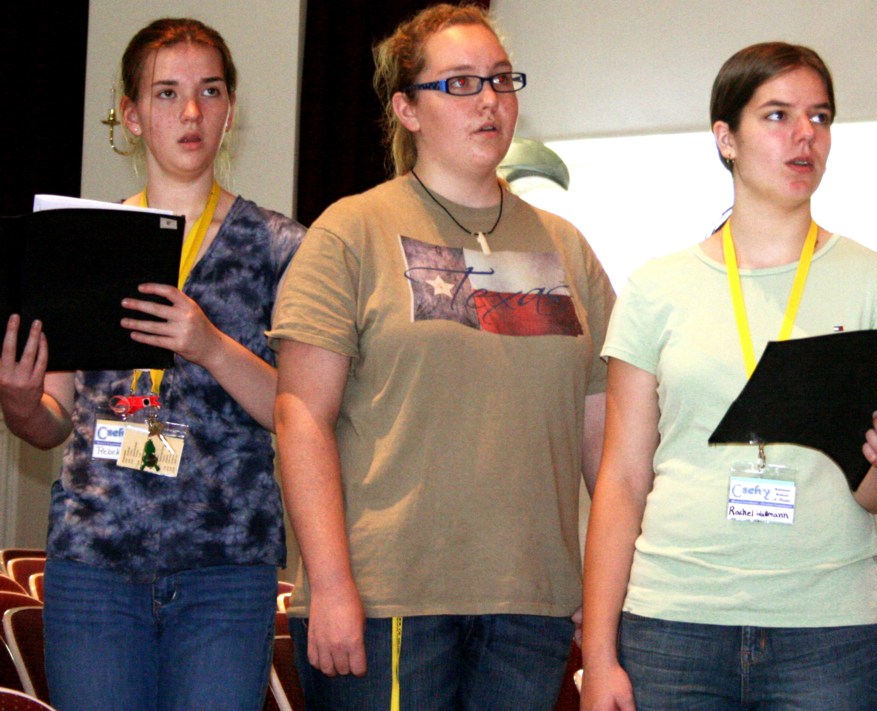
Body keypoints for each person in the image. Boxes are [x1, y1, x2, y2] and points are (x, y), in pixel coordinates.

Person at [268, 3, 615, 709]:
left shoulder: (566, 247)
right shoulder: (351, 232)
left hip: (531, 607)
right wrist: (329, 585)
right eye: (459, 83)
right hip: (387, 601)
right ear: (407, 109)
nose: (489, 99)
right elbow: (299, 416)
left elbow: (606, 438)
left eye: (500, 79)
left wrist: (605, 585)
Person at [580, 42, 877, 711]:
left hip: (826, 628)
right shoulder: (657, 287)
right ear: (726, 139)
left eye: (819, 116)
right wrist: (598, 655)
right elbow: (621, 479)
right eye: (777, 115)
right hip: (673, 622)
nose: (805, 135)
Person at [0, 18, 304, 711]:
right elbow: (51, 420)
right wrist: (17, 400)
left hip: (227, 568)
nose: (191, 111)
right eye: (166, 93)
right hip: (95, 563)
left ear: (230, 109)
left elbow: (300, 411)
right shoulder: (84, 240)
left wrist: (210, 345)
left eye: (210, 91)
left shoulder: (280, 246)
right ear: (132, 115)